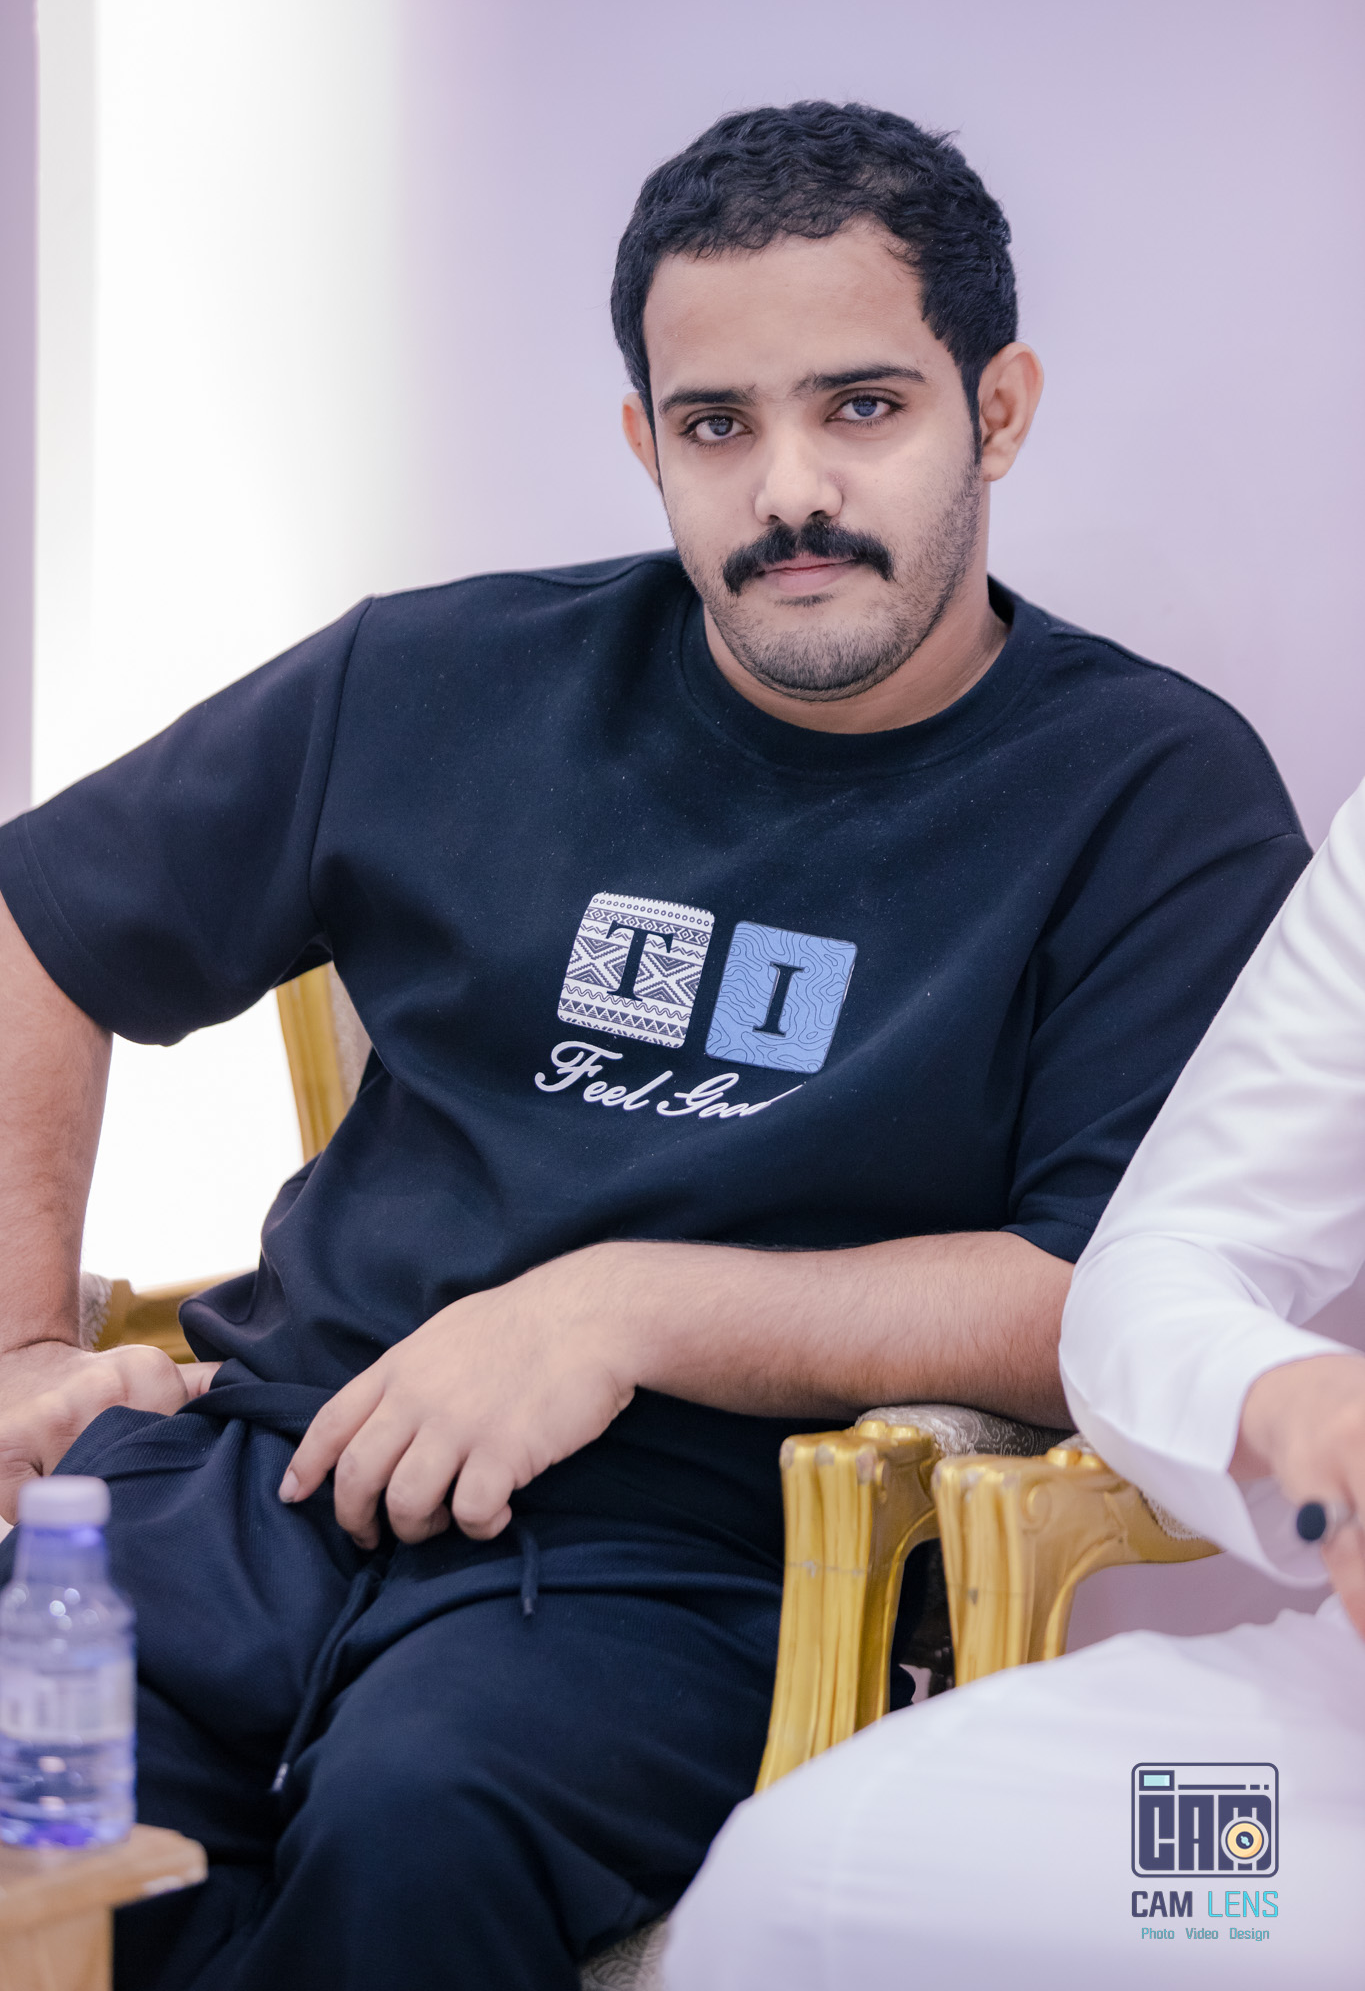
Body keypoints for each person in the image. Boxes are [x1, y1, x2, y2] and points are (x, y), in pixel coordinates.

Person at [0, 102, 1309, 1990]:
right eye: (716, 425)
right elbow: (41, 919)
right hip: (269, 1473)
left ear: (998, 410)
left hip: (682, 1563)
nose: (790, 488)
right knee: (44, 1784)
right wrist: (28, 1349)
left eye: (864, 406)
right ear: (646, 442)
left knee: (417, 1828)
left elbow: (1104, 1290)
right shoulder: (436, 678)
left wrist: (624, 1308)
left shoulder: (1148, 792)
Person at [663, 780, 1365, 1991]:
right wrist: (1291, 1396)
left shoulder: (1153, 781)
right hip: (1335, 1748)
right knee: (810, 1882)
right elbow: (1158, 1261)